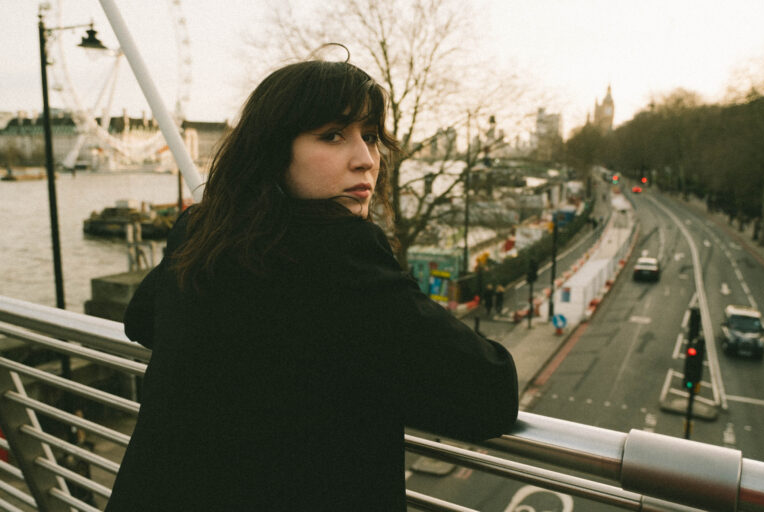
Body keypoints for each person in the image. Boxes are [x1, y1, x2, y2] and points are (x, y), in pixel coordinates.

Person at [106, 59, 518, 511]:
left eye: (371, 136)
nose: (366, 159)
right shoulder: (340, 251)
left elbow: (141, 319)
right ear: (273, 149)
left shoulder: (201, 229)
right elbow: (491, 395)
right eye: (333, 135)